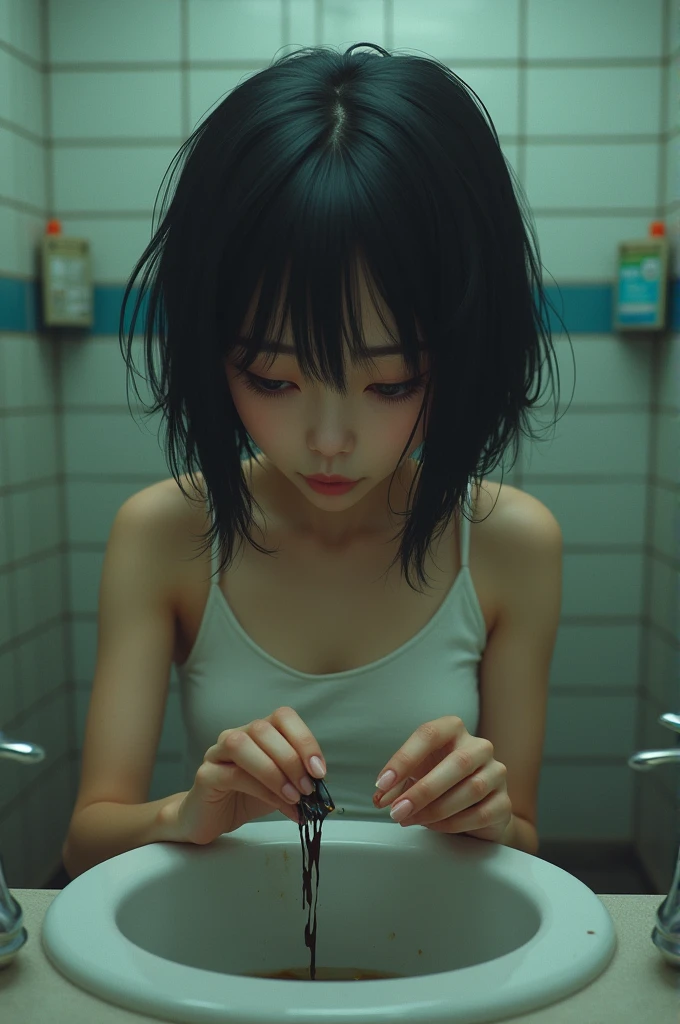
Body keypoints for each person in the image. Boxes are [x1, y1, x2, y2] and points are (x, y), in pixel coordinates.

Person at [62, 42, 569, 880]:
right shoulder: (165, 532)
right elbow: (85, 840)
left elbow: (525, 842)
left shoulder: (511, 543)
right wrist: (188, 813)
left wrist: (489, 816)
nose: (328, 440)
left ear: (463, 355)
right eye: (272, 377)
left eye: (391, 381)